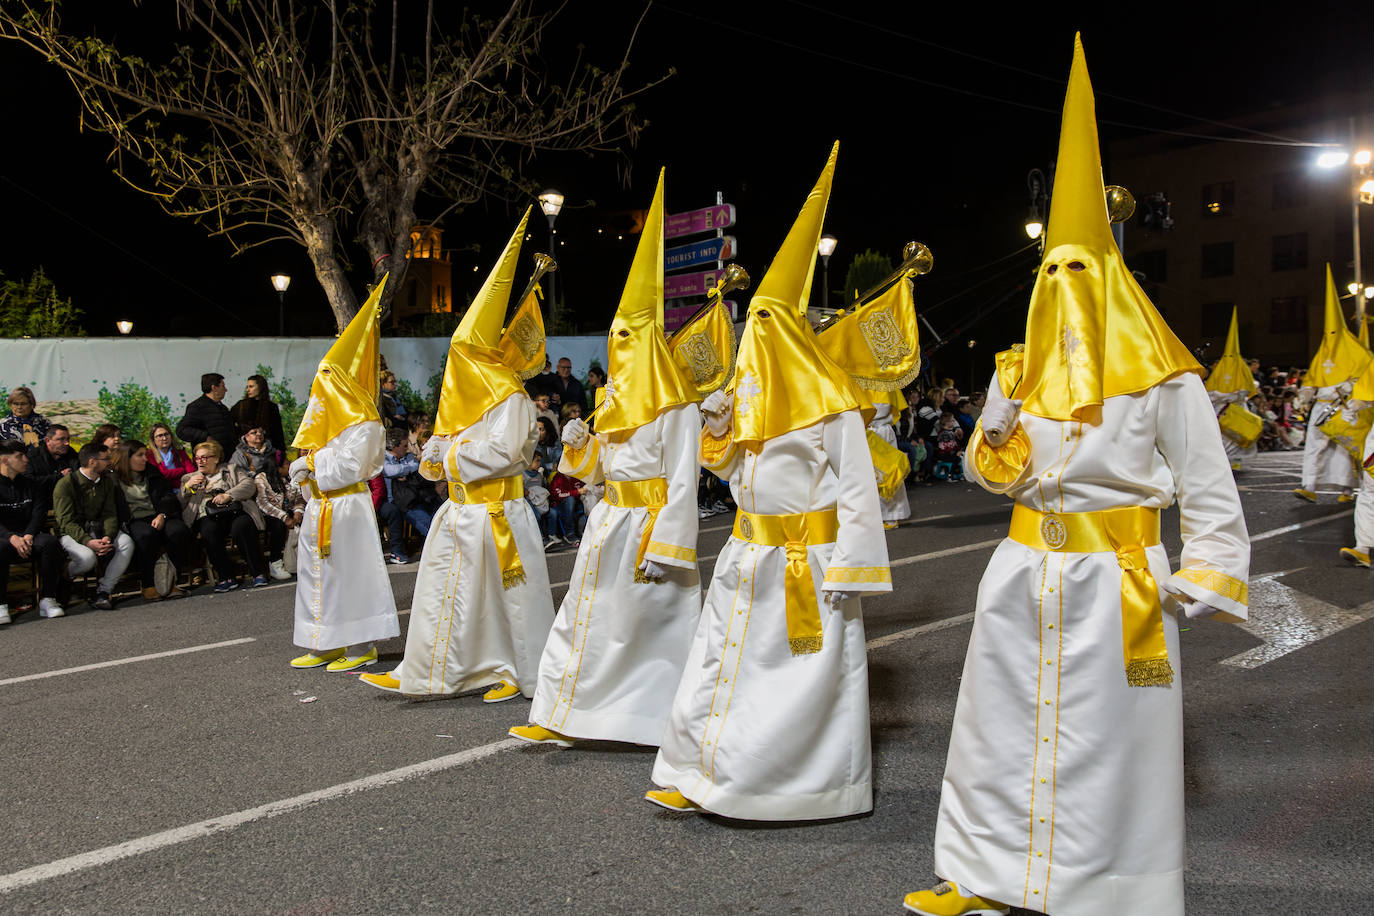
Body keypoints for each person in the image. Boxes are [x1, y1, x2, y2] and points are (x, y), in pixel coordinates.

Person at [904, 38, 1250, 916]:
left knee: (1111, 746)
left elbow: (1209, 486)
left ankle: (1111, 898)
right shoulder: (1015, 368)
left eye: (1077, 267)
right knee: (999, 733)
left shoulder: (1162, 374)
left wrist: (1205, 572)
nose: (1060, 281)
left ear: (1109, 277)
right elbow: (992, 476)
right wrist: (998, 420)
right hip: (1020, 572)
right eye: (1049, 267)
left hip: (1120, 584)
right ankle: (986, 878)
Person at [647, 143, 891, 820]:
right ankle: (697, 769)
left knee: (791, 682)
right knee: (720, 663)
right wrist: (720, 431)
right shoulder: (754, 404)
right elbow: (735, 476)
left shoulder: (832, 404)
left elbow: (858, 489)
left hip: (803, 563)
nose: (752, 333)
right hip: (745, 554)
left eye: (762, 322)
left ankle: (781, 786)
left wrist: (853, 565)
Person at [510, 169, 706, 750]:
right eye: (614, 337)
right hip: (609, 522)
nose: (617, 348)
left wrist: (670, 542)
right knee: (584, 620)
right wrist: (577, 443)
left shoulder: (677, 407)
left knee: (647, 632)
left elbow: (682, 480)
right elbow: (598, 470)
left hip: (648, 530)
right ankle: (561, 713)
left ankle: (653, 723)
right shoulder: (614, 401)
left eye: (627, 337)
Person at [360, 210, 554, 701]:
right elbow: (444, 449)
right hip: (459, 509)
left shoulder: (510, 398)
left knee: (503, 601)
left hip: (497, 513)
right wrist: (436, 455)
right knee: (444, 595)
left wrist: (451, 455)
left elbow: (506, 453)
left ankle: (513, 671)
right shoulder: (465, 402)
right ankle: (425, 671)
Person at [286, 281, 400, 672]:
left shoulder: (365, 423)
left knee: (351, 576)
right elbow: (312, 461)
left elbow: (356, 467)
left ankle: (360, 645)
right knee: (317, 577)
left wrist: (314, 466)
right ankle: (323, 641)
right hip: (320, 507)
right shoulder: (326, 426)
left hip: (348, 506)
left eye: (329, 378)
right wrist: (303, 472)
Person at [1293, 266, 1370, 503]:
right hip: (1321, 408)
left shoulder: (1355, 352)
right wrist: (1304, 395)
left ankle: (1347, 490)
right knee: (1314, 447)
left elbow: (1366, 373)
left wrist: (1351, 386)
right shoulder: (1322, 352)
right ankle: (1309, 486)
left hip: (1344, 407)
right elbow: (1313, 380)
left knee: (1344, 449)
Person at [179, 439, 271, 593]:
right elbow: (180, 504)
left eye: (204, 457)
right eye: (197, 458)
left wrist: (228, 495)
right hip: (207, 516)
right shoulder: (189, 478)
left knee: (243, 526)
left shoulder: (231, 469)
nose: (200, 461)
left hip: (232, 510)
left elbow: (248, 485)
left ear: (216, 458)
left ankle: (257, 573)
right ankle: (226, 577)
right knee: (209, 531)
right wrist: (188, 488)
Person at [53, 441, 136, 610]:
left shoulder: (106, 482)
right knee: (87, 559)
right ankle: (66, 574)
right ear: (92, 462)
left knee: (127, 543)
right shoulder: (65, 485)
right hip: (72, 533)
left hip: (98, 530)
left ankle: (103, 591)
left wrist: (108, 536)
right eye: (105, 459)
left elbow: (110, 513)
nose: (109, 462)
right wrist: (87, 541)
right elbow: (66, 522)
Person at [112, 439, 191, 601]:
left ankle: (172, 580)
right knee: (146, 536)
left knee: (178, 531)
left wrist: (162, 514)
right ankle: (148, 584)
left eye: (145, 455)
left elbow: (167, 496)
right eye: (140, 455)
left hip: (159, 514)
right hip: (133, 520)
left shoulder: (151, 472)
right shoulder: (113, 479)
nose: (145, 459)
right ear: (128, 458)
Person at [0, 438, 66, 622]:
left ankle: (48, 599)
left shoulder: (31, 484)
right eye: (20, 456)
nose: (26, 460)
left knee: (50, 543)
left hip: (29, 535)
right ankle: (1, 604)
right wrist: (12, 537)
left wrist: (29, 534)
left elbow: (39, 512)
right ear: (4, 460)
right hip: (5, 538)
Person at [232, 426, 294, 579]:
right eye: (253, 432)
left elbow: (290, 485)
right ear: (245, 436)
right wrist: (258, 475)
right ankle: (274, 562)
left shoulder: (272, 450)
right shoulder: (240, 454)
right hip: (255, 498)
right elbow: (238, 476)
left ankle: (294, 560)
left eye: (260, 431)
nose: (258, 434)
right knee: (276, 524)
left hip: (277, 493)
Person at [1205, 306, 1261, 471]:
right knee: (1223, 436)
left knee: (1238, 435)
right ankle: (1223, 460)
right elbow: (1210, 391)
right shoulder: (1219, 369)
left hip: (1237, 408)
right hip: (1221, 408)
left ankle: (1237, 460)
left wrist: (1232, 396)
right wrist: (1222, 396)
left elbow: (1246, 391)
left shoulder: (1242, 368)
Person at [378, 427, 433, 564]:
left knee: (431, 513)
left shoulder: (407, 457)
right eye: (404, 446)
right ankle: (398, 552)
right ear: (394, 446)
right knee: (420, 519)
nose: (407, 449)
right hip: (392, 501)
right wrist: (405, 471)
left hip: (409, 498)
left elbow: (416, 465)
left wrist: (402, 471)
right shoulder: (382, 458)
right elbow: (389, 471)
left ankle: (434, 547)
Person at [176, 372, 238, 456]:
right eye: (223, 386)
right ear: (214, 388)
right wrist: (205, 437)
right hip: (208, 460)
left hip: (227, 458)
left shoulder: (223, 408)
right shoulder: (197, 407)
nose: (226, 390)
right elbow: (182, 430)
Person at [229, 374, 287, 458]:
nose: (248, 390)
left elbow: (277, 432)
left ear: (260, 387)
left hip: (267, 451)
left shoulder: (271, 407)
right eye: (247, 387)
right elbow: (229, 424)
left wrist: (281, 452)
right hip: (244, 450)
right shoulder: (241, 406)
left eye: (251, 386)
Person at [26, 424, 78, 499]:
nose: (66, 443)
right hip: (41, 499)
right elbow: (29, 481)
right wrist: (59, 476)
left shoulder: (72, 454)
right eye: (61, 439)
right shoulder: (33, 457)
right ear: (48, 440)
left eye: (68, 439)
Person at [147, 423, 196, 491]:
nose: (164, 438)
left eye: (166, 434)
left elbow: (191, 471)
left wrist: (169, 475)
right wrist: (181, 470)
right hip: (163, 492)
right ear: (153, 439)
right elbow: (160, 475)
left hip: (184, 489)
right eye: (160, 436)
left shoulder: (180, 452)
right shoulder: (150, 455)